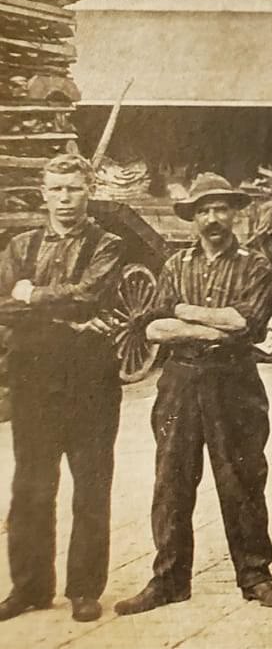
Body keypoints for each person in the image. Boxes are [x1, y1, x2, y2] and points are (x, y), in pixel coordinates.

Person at [115, 173, 272, 615]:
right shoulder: (176, 266)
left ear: (235, 213)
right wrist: (206, 323)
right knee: (171, 482)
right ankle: (169, 579)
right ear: (193, 217)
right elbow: (153, 327)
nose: (213, 218)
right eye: (204, 210)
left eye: (221, 209)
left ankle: (255, 575)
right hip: (179, 380)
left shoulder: (255, 266)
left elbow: (245, 324)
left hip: (233, 380)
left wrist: (182, 314)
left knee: (243, 478)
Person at [0, 154, 123, 624]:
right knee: (31, 485)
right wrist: (59, 309)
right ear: (44, 193)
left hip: (90, 381)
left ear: (88, 190)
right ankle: (29, 588)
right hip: (34, 377)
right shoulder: (21, 245)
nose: (65, 198)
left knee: (90, 485)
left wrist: (31, 296)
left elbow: (93, 295)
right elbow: (2, 304)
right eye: (57, 189)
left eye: (74, 188)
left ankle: (85, 589)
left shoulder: (107, 244)